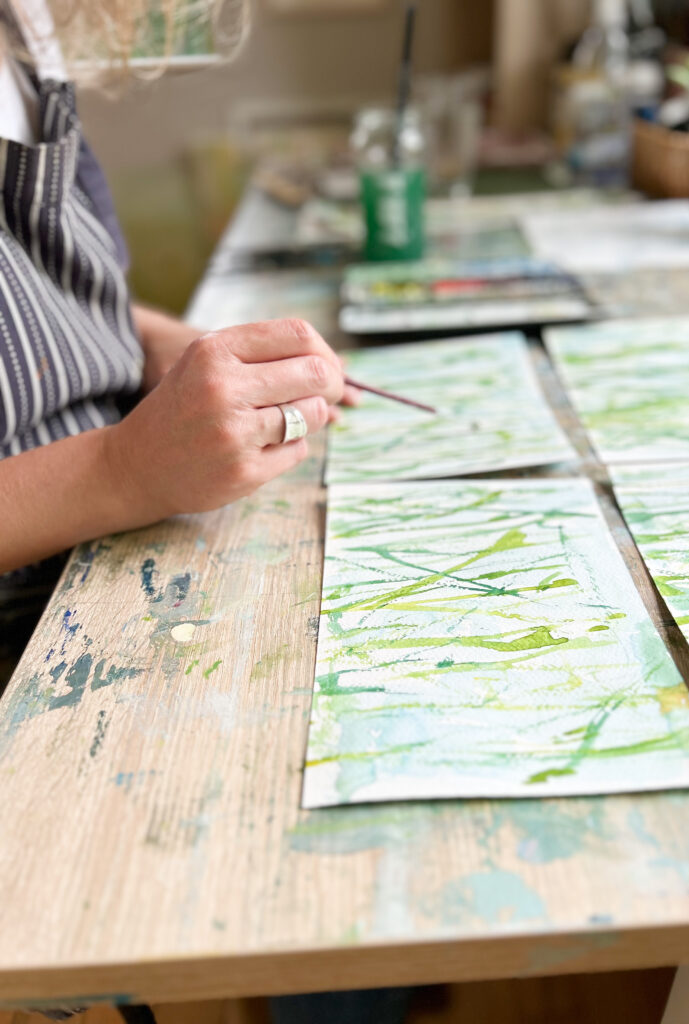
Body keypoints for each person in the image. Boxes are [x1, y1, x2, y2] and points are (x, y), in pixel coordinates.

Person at [0, 2, 411, 1022]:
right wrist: (122, 470)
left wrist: (182, 351)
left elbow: (65, 301)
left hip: (121, 557)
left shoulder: (23, 31)